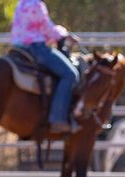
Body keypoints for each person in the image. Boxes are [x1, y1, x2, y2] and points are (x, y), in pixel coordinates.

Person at [11, 0, 79, 134]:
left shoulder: (22, 3)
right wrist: (64, 35)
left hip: (18, 47)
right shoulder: (37, 5)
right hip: (36, 48)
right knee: (70, 74)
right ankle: (58, 119)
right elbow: (48, 30)